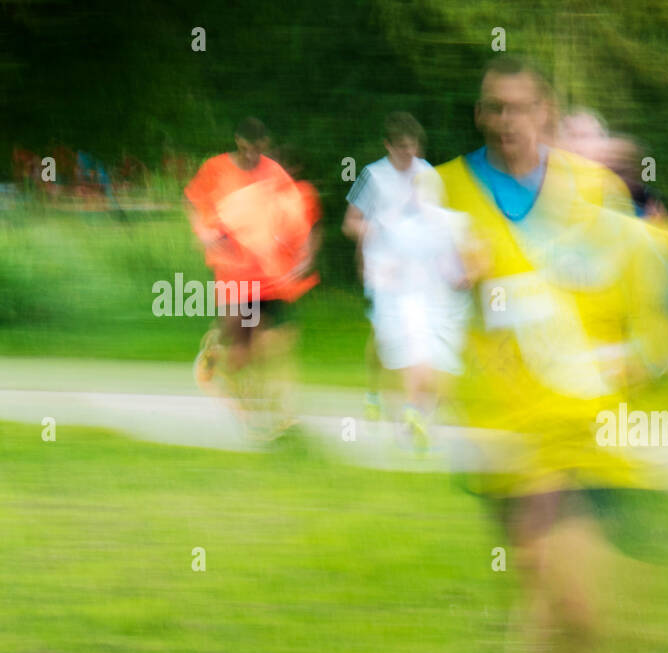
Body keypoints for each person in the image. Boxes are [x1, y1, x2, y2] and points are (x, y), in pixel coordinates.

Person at [431, 57, 668, 653]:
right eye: (492, 108)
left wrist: (647, 354)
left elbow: (649, 288)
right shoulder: (446, 193)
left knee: (571, 591)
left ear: (546, 113)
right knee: (547, 583)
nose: (504, 121)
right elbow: (405, 294)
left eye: (518, 107)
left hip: (590, 424)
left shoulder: (594, 190)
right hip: (507, 429)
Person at [343, 112, 475, 454]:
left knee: (419, 338)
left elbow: (440, 226)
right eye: (401, 148)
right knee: (383, 337)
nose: (409, 154)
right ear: (388, 146)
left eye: (413, 147)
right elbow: (351, 222)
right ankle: (377, 392)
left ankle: (415, 406)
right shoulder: (374, 176)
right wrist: (378, 236)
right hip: (384, 269)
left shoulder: (428, 174)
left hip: (421, 274)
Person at [186, 117, 317, 439]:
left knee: (273, 344)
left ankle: (277, 413)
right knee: (244, 347)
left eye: (257, 150)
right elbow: (193, 202)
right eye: (246, 150)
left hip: (269, 275)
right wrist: (204, 233)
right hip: (235, 272)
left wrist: (301, 255)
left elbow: (294, 215)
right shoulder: (216, 168)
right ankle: (228, 372)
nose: (251, 157)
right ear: (237, 142)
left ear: (264, 146)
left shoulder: (274, 173)